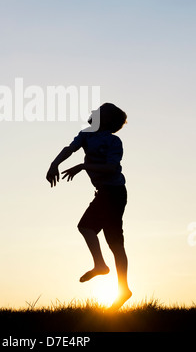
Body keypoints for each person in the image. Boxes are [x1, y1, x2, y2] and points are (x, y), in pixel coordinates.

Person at [46, 103, 132, 310]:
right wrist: (54, 163)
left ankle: (109, 274)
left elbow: (112, 168)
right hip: (104, 192)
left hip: (114, 192)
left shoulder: (114, 141)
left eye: (98, 111)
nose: (93, 112)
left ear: (106, 120)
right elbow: (70, 149)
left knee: (104, 236)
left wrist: (83, 166)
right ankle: (115, 280)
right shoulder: (86, 135)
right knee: (94, 231)